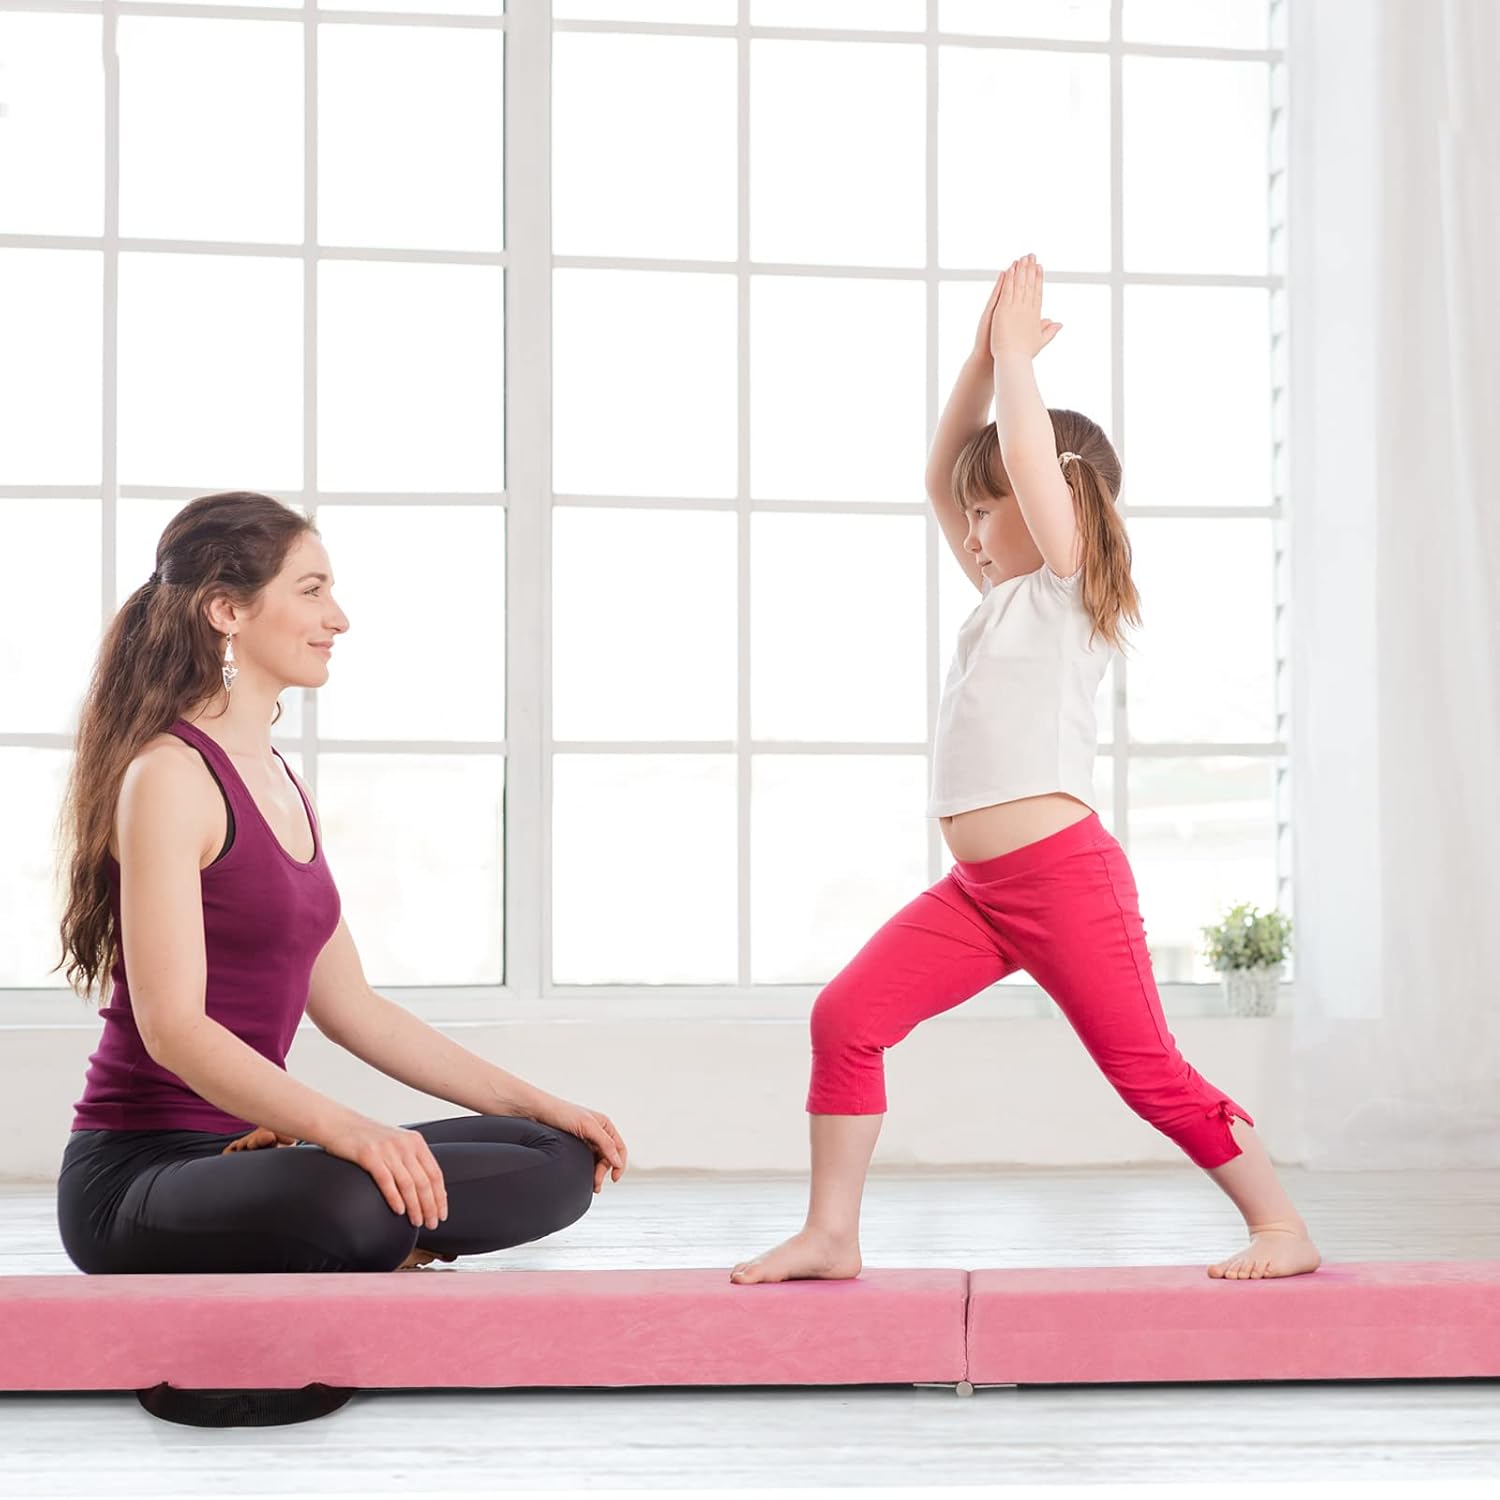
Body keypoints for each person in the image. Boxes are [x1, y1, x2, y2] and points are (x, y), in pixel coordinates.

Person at [731, 255, 1320, 1286]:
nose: (968, 528)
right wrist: (976, 360)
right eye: (970, 514)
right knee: (847, 1018)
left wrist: (1015, 364)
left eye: (987, 510)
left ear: (1063, 505)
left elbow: (1034, 467)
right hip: (979, 893)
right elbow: (937, 475)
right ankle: (831, 1234)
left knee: (1146, 1075)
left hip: (1062, 881)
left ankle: (1282, 1227)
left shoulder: (1062, 584)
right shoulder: (1002, 594)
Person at [54, 492, 628, 1276]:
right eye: (312, 590)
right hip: (140, 1178)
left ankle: (357, 1232)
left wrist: (538, 1102)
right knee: (356, 1197)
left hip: (254, 1155)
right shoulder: (169, 776)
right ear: (227, 610)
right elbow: (173, 1029)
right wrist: (347, 1132)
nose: (339, 618)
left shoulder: (280, 778)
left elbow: (352, 1006)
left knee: (554, 1156)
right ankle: (356, 1230)